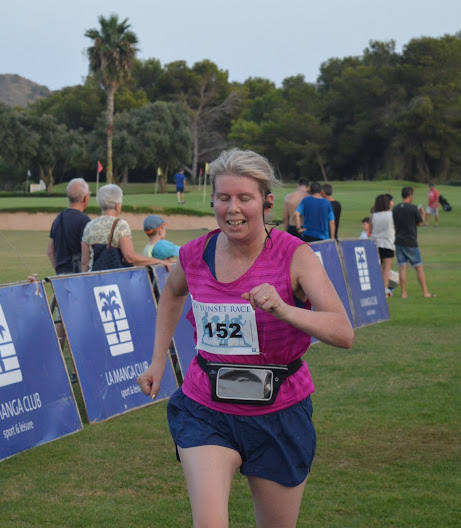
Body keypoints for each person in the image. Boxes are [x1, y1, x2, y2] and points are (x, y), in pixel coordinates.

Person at [137, 148, 353, 527]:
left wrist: (283, 309)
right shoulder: (194, 254)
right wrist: (158, 360)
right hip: (206, 407)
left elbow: (342, 331)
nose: (232, 208)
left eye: (244, 198)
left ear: (266, 201)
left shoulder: (294, 256)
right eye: (223, 198)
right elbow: (172, 293)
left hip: (279, 412)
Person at [81, 184, 170, 271]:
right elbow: (130, 258)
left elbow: (84, 263)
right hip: (114, 278)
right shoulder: (120, 225)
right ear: (117, 205)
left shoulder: (89, 226)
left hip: (93, 278)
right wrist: (158, 261)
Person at [393, 186, 433, 299]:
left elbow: (395, 225)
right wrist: (422, 213)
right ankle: (425, 292)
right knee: (419, 267)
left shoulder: (395, 208)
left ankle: (403, 293)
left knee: (402, 268)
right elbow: (420, 223)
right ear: (410, 195)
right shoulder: (413, 208)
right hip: (410, 241)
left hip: (399, 241)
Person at [48, 178, 91, 274]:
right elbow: (87, 254)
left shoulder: (58, 219)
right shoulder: (85, 221)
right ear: (85, 198)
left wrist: (59, 271)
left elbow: (50, 251)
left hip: (61, 275)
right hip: (78, 275)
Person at [370, 193, 396, 296]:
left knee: (378, 267)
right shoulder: (391, 214)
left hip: (375, 243)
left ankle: (377, 288)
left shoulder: (373, 215)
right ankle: (384, 289)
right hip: (388, 243)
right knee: (386, 268)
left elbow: (371, 230)